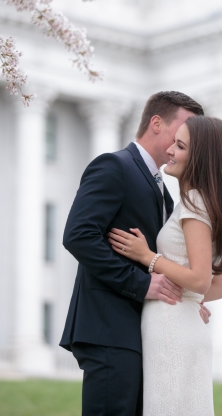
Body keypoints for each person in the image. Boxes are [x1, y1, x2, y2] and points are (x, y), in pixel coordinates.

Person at [59, 91, 205, 416]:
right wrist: (141, 284)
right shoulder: (115, 166)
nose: (184, 141)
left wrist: (186, 298)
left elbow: (163, 262)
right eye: (182, 131)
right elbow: (78, 236)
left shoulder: (165, 194)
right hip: (109, 329)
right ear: (156, 123)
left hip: (143, 335)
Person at [108, 115, 222, 416]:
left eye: (180, 146)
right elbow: (218, 286)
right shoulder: (208, 203)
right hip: (184, 326)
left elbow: (199, 280)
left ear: (201, 159)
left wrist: (148, 257)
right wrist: (187, 298)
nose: (170, 150)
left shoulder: (195, 202)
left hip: (171, 329)